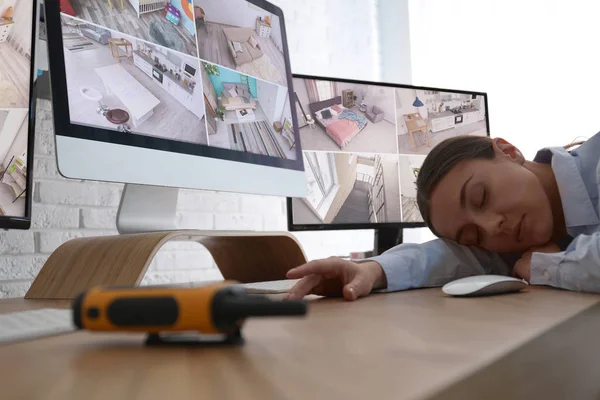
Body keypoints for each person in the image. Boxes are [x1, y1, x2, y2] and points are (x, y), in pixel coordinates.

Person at [285, 132, 600, 301]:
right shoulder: (523, 243)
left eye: (481, 197)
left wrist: (547, 267)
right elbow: (449, 257)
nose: (493, 227)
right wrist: (372, 271)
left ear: (508, 150)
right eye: (475, 237)